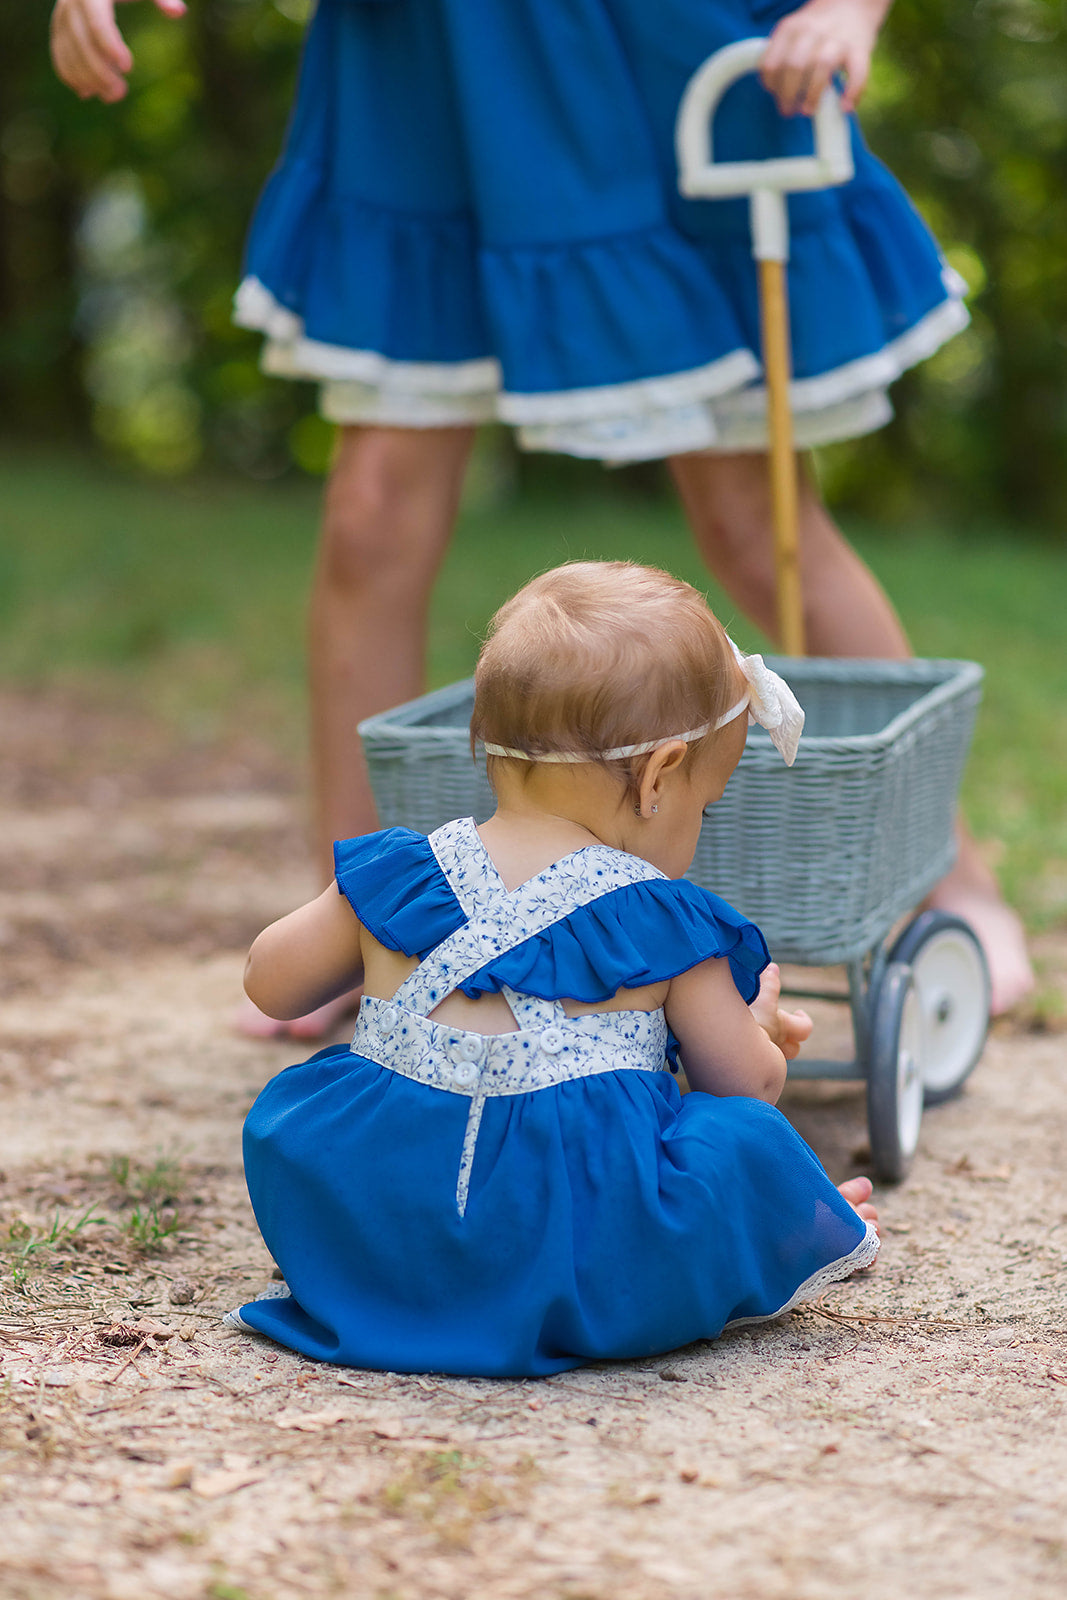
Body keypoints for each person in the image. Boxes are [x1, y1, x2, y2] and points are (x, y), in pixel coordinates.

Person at [48, 0, 1034, 1026]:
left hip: (643, 56)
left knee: (754, 518)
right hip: (427, 73)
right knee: (369, 519)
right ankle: (355, 924)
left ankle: (951, 874)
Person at [229, 562, 879, 1376]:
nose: (698, 828)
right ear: (658, 776)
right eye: (703, 807)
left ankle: (395, 1287)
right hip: (565, 1258)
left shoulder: (404, 872)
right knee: (742, 1141)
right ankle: (787, 1222)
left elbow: (269, 982)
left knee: (304, 1103)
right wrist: (757, 1031)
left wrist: (358, 923)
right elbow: (745, 1087)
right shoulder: (660, 918)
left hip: (385, 1233)